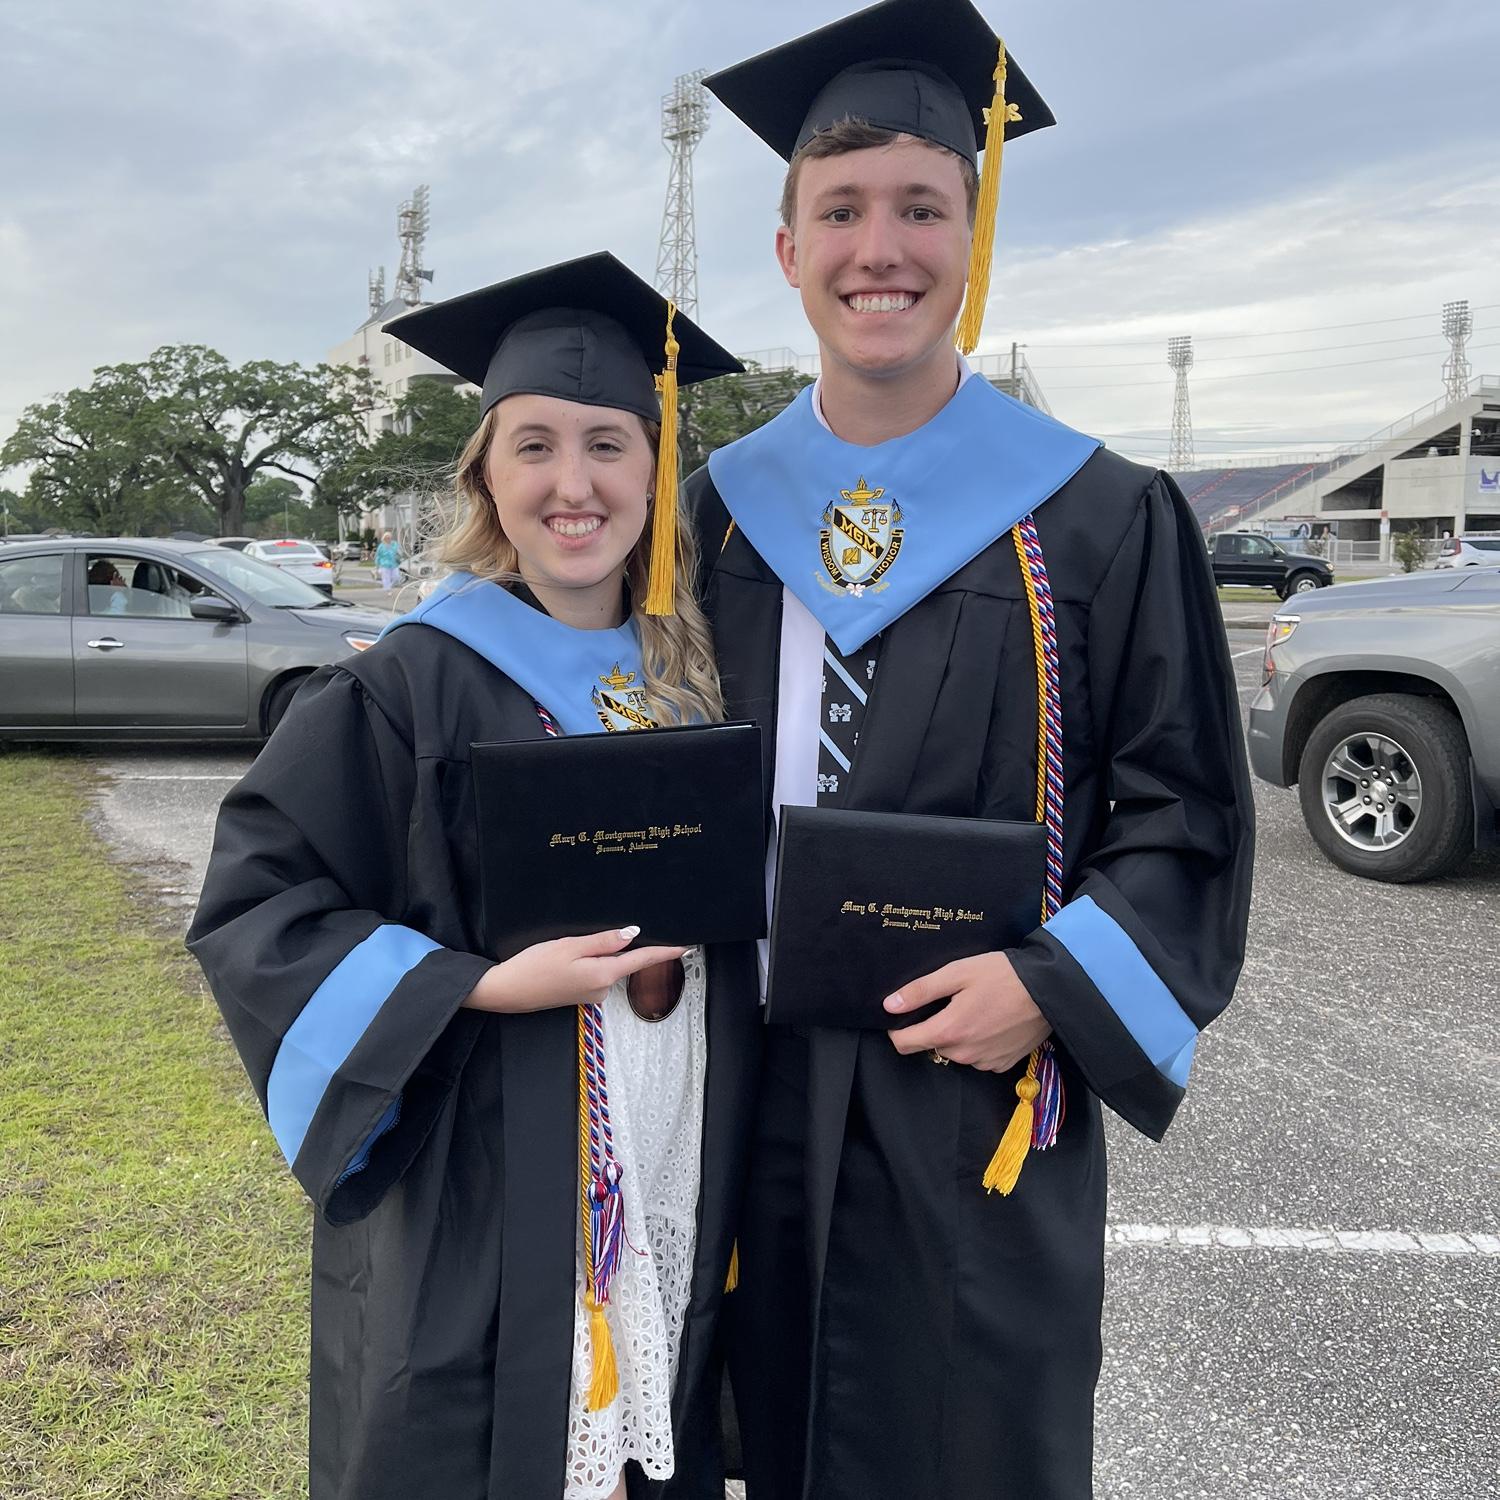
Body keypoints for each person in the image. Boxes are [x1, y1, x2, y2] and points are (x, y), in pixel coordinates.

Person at [691, 1, 1256, 1495]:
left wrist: (1053, 986)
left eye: (922, 206)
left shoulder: (1098, 513)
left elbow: (1187, 811)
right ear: (787, 250)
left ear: (974, 233)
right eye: (841, 210)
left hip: (976, 1095)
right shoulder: (718, 510)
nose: (879, 248)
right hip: (750, 1085)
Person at [187, 253, 757, 1500]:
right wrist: (477, 985)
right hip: (495, 1174)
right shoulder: (406, 683)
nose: (573, 484)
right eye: (534, 445)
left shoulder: (697, 670)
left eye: (608, 445)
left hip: (673, 1139)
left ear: (656, 470)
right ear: (485, 474)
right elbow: (255, 906)